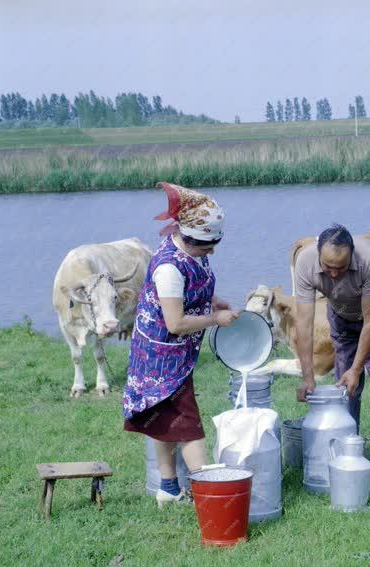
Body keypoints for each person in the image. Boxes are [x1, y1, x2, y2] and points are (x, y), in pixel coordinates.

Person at [122, 182, 239, 506]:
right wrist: (215, 320)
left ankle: (169, 489)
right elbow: (175, 323)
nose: (211, 252)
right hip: (161, 357)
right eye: (207, 246)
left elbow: (196, 285)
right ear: (189, 238)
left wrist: (213, 301)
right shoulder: (169, 267)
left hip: (175, 354)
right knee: (188, 426)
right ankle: (209, 497)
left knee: (164, 419)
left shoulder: (191, 253)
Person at [293, 224, 370, 466]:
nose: (333, 273)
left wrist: (357, 369)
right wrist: (308, 377)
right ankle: (348, 443)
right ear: (319, 253)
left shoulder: (369, 260)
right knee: (345, 384)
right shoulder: (305, 262)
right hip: (341, 312)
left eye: (340, 268)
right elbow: (304, 325)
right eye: (327, 267)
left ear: (351, 255)